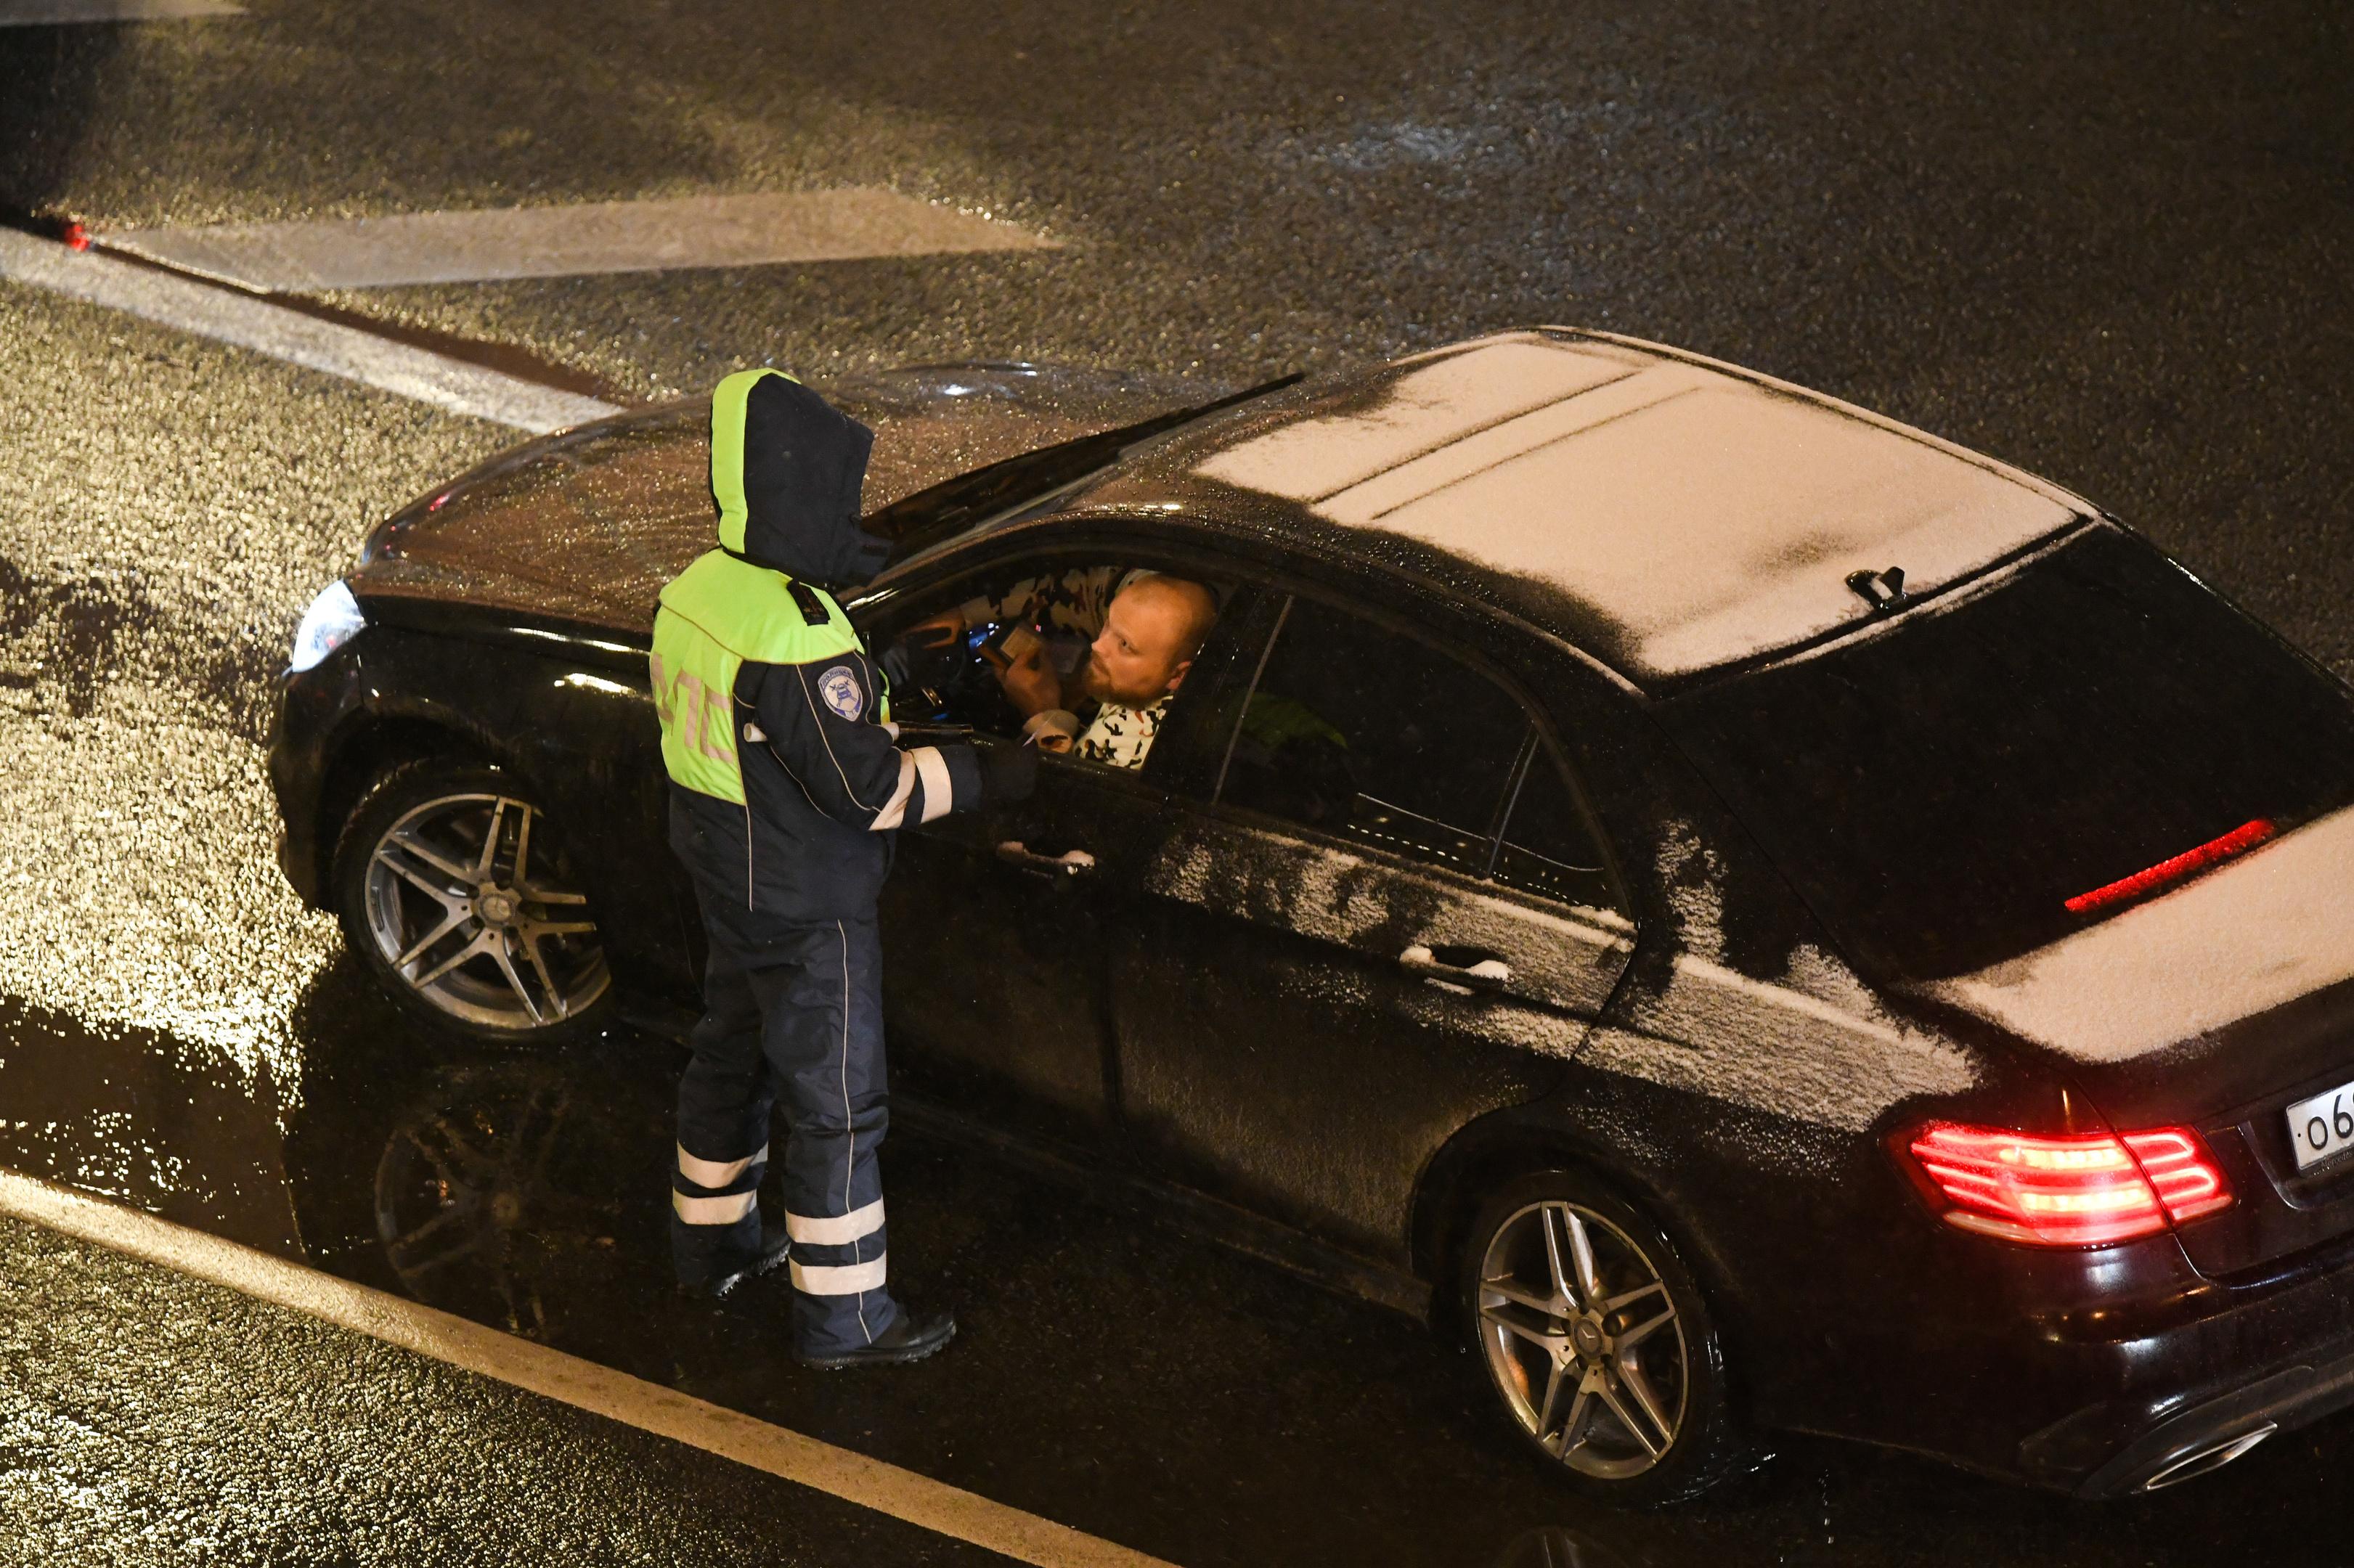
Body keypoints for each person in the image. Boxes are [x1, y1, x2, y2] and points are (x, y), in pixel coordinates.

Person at [651, 367, 1035, 1369]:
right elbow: (869, 793)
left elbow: (757, 721)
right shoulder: (797, 628)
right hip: (806, 904)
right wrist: (994, 772)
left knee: (728, 1059)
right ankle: (847, 1318)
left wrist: (879, 673)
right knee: (836, 1108)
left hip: (723, 877)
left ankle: (712, 1244)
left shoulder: (699, 588)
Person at [916, 572, 1216, 770]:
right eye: (1109, 624)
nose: (1098, 645)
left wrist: (1042, 711)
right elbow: (1069, 591)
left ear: (1179, 676)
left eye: (1125, 645)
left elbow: (1056, 804)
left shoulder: (1128, 748)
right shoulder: (1154, 628)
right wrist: (964, 615)